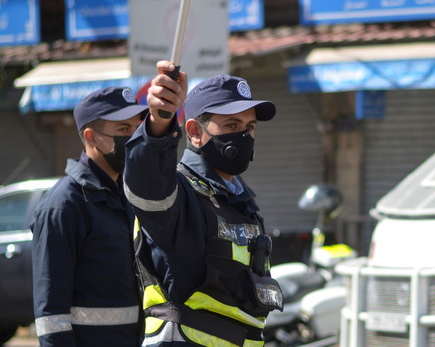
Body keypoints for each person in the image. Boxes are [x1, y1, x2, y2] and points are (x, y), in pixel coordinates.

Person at [123, 61, 284, 347]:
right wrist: (159, 124)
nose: (244, 136)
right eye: (231, 125)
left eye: (249, 127)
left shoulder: (241, 202)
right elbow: (146, 176)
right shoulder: (177, 194)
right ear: (195, 132)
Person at [30, 86, 147, 347]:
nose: (134, 138)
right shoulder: (63, 205)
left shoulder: (128, 196)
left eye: (136, 128)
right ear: (91, 137)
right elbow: (51, 316)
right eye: (123, 130)